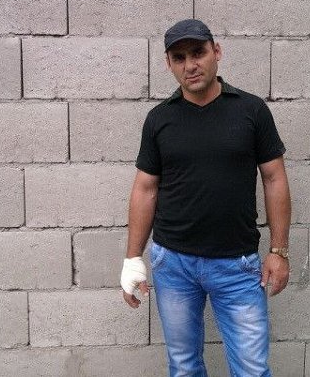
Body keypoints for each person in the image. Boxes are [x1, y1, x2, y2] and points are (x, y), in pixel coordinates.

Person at [120, 19, 291, 377]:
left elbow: (274, 178)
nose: (190, 65)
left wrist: (278, 251)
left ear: (216, 52)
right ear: (169, 64)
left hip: (237, 266)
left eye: (198, 53)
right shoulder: (159, 120)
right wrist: (132, 258)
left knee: (252, 370)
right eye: (179, 58)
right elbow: (145, 188)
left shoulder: (251, 111)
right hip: (173, 265)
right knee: (184, 367)